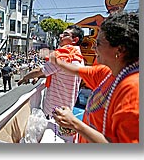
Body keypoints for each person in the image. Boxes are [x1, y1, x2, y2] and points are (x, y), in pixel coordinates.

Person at [51, 12, 139, 143]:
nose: (93, 47)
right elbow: (76, 70)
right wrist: (55, 60)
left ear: (119, 50)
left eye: (98, 43)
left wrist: (74, 123)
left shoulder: (133, 91)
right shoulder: (107, 72)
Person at [18, 25, 84, 118]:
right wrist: (39, 76)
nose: (61, 36)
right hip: (67, 109)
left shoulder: (63, 55)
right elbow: (58, 73)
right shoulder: (78, 55)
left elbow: (39, 71)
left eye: (65, 35)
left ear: (75, 40)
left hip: (54, 111)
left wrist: (25, 78)